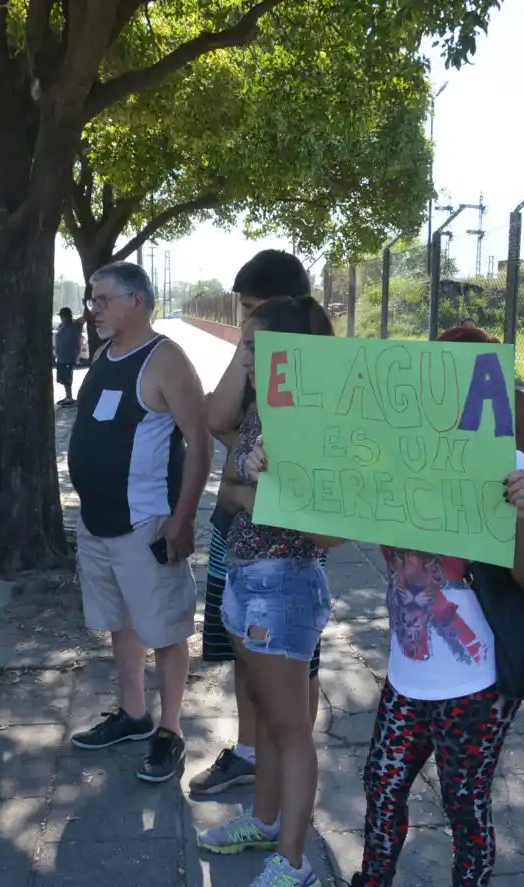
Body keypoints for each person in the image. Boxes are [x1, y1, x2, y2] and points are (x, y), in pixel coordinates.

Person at [349, 324, 524, 887]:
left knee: (465, 803)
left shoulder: (510, 463)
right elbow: (325, 523)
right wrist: (279, 469)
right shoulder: (395, 458)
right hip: (407, 673)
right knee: (382, 786)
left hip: (477, 682)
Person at [197, 295, 340, 887]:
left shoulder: (316, 420)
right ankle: (263, 820)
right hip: (244, 577)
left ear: (292, 352)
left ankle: (295, 861)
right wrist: (254, 489)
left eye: (254, 348)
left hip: (284, 586)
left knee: (289, 728)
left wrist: (264, 488)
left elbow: (328, 531)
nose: (245, 359)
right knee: (261, 710)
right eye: (244, 346)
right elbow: (228, 490)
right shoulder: (260, 410)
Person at [66, 261, 212, 784]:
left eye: (104, 299)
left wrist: (183, 519)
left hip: (147, 524)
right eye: (92, 299)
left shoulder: (165, 359)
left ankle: (170, 730)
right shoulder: (105, 355)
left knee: (166, 630)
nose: (94, 309)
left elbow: (200, 444)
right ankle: (133, 714)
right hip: (97, 524)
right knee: (120, 622)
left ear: (138, 301)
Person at [193, 249, 327, 798]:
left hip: (285, 550)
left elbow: (318, 511)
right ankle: (254, 756)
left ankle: (284, 763)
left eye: (253, 309)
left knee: (293, 664)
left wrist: (252, 492)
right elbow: (216, 418)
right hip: (241, 536)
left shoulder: (311, 373)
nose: (243, 323)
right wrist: (248, 346)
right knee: (244, 654)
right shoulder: (254, 357)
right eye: (243, 312)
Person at [55, 306, 87, 406]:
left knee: (67, 377)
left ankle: (69, 397)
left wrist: (87, 304)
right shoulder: (61, 325)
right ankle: (67, 396)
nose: (61, 318)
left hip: (69, 356)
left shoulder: (75, 324)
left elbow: (85, 316)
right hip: (61, 356)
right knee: (62, 378)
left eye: (63, 316)